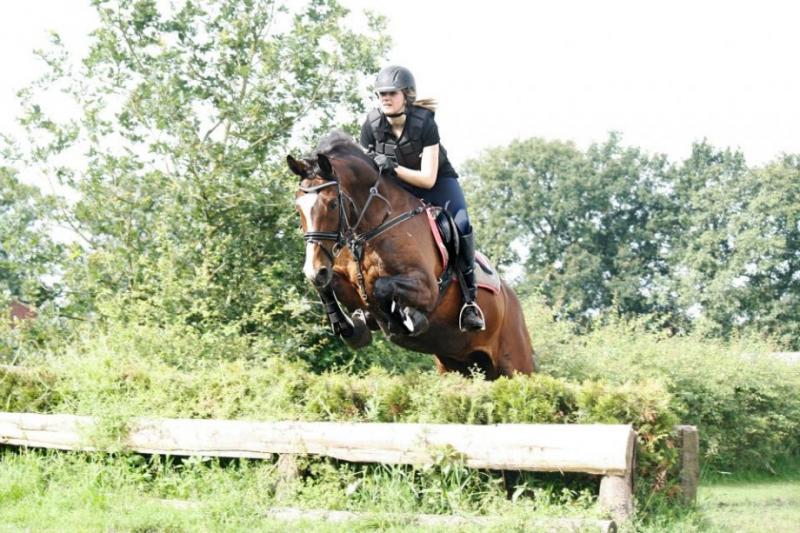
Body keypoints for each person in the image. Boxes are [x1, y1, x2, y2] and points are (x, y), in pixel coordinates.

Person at [359, 65, 485, 332]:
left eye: (392, 93)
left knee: (461, 224)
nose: (385, 98)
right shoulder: (371, 125)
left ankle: (469, 301)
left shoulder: (425, 123)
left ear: (406, 95)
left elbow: (427, 179)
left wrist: (393, 167)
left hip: (438, 183)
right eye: (381, 94)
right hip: (399, 188)